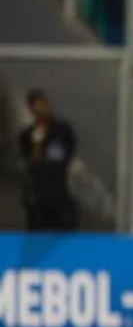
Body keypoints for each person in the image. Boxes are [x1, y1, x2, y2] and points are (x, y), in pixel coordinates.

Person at [18, 90, 79, 232]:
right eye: (37, 106)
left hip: (59, 193)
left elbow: (67, 154)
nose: (42, 109)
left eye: (44, 104)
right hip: (37, 195)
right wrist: (37, 142)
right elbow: (30, 161)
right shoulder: (26, 135)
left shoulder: (62, 130)